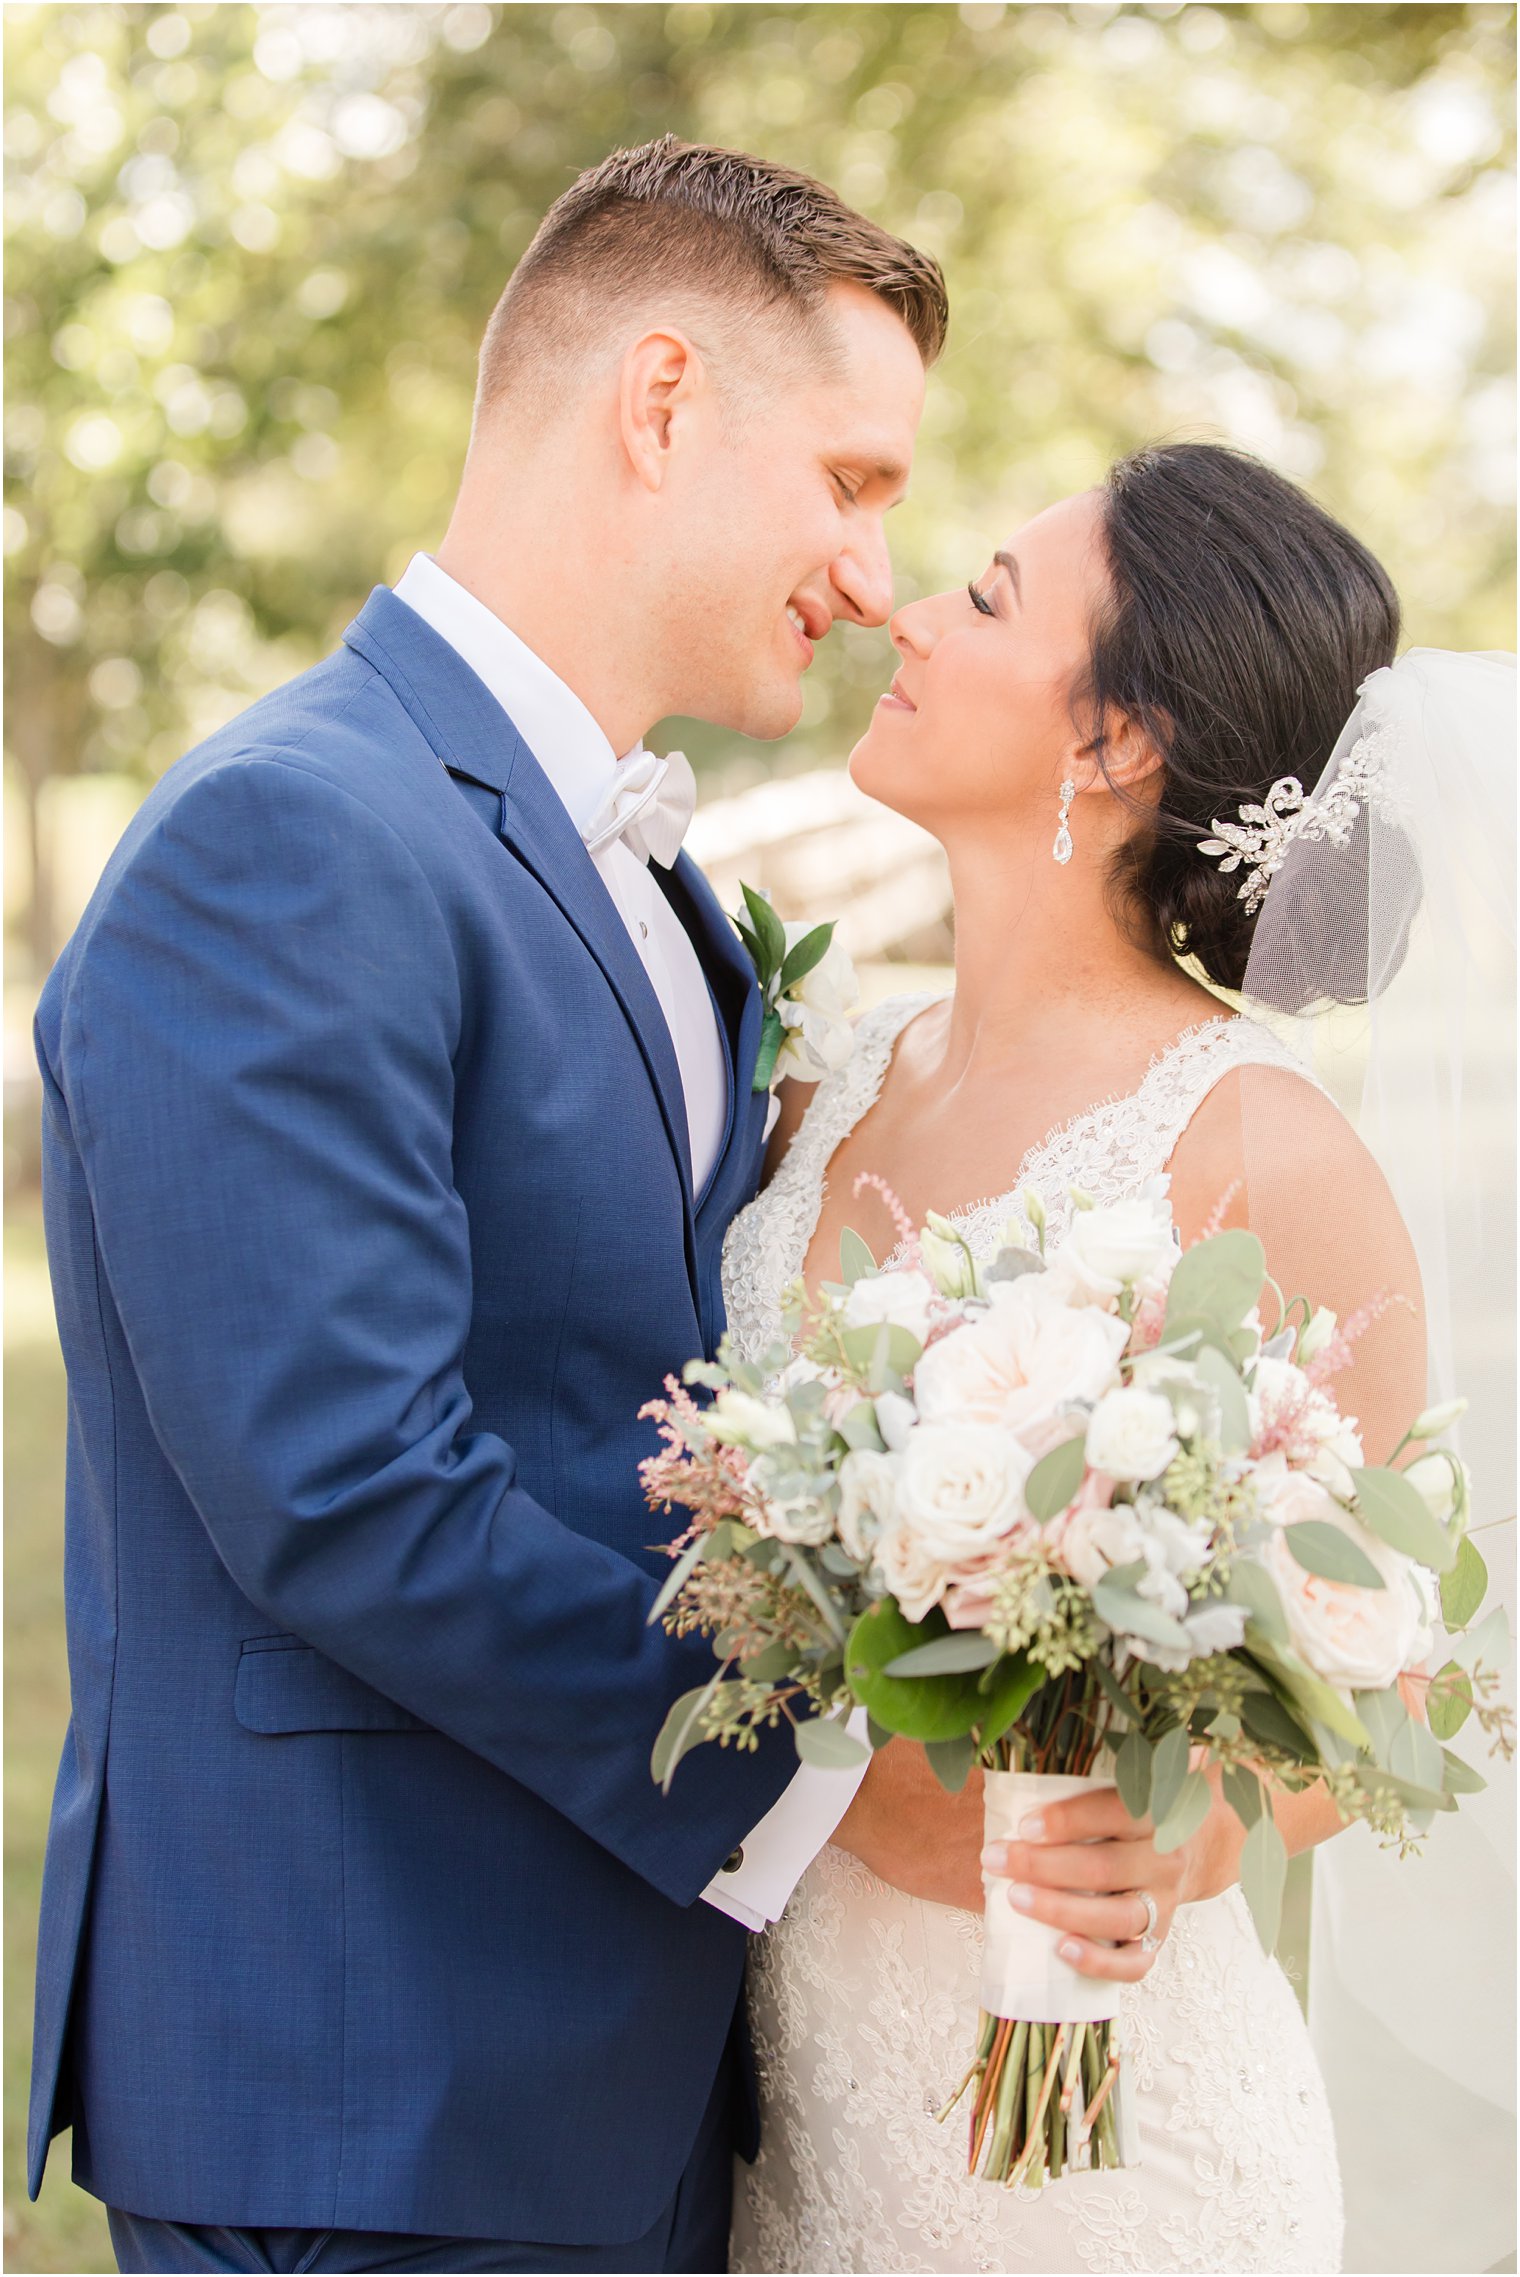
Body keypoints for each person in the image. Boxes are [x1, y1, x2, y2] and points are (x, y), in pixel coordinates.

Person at [27, 137, 966, 2277]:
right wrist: (816, 1782)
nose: (877, 567)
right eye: (849, 475)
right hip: (372, 2082)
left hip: (605, 2075)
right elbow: (347, 1482)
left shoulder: (647, 864)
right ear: (658, 401)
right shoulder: (293, 837)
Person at [724, 441, 1432, 2274]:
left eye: (983, 596)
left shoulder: (1261, 1147)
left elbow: (1391, 1670)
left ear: (1116, 741)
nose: (903, 609)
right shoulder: (822, 1080)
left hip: (1102, 2137)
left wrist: (1192, 1841)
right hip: (781, 2094)